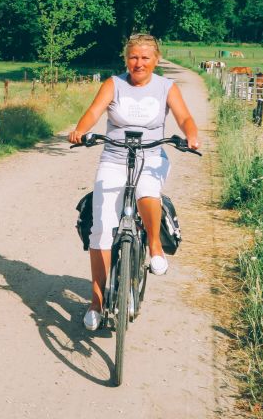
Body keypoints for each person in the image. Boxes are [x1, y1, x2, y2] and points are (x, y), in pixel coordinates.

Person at [68, 33, 199, 331]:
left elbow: (185, 118)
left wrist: (191, 134)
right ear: (125, 59)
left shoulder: (166, 87)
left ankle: (154, 245)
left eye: (145, 57)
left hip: (151, 157)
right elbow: (92, 113)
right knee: (100, 227)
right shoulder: (114, 84)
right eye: (133, 57)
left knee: (146, 191)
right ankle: (97, 302)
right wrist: (80, 130)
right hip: (114, 158)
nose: (138, 63)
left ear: (156, 60)